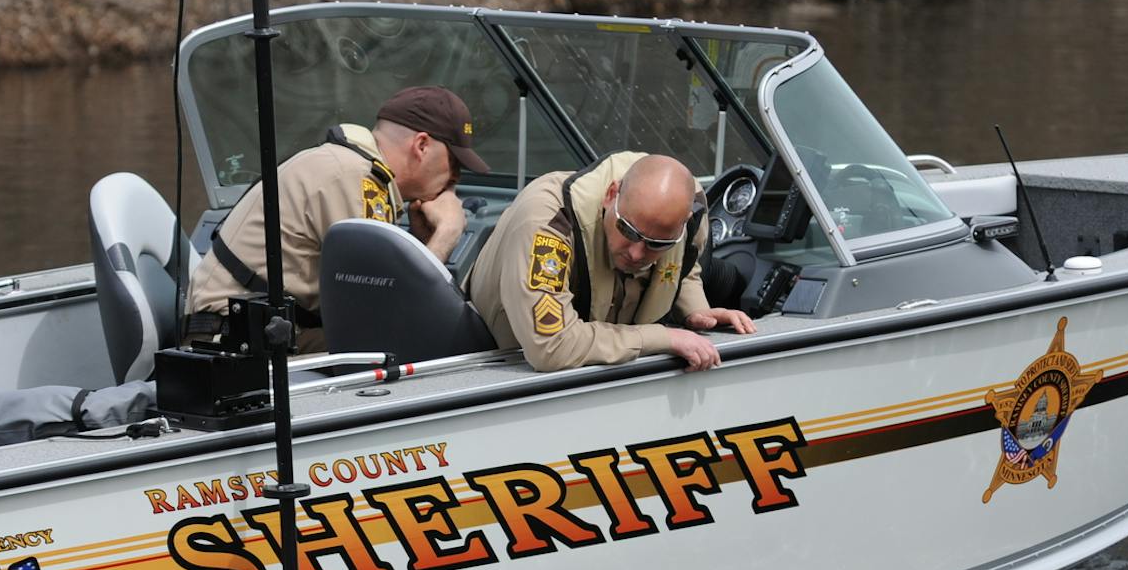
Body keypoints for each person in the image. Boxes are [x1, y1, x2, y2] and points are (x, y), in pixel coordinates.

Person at [184, 86, 490, 332]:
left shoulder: (352, 168)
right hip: (233, 341)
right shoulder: (355, 178)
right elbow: (382, 317)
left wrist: (421, 243)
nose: (456, 178)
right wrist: (446, 236)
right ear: (422, 145)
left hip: (264, 327)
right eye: (454, 162)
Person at [469, 153, 755, 371]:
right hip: (500, 369)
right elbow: (551, 346)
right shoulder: (549, 223)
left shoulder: (690, 208)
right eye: (628, 231)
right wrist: (663, 338)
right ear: (610, 195)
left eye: (658, 244)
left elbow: (685, 263)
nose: (636, 254)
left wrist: (694, 312)